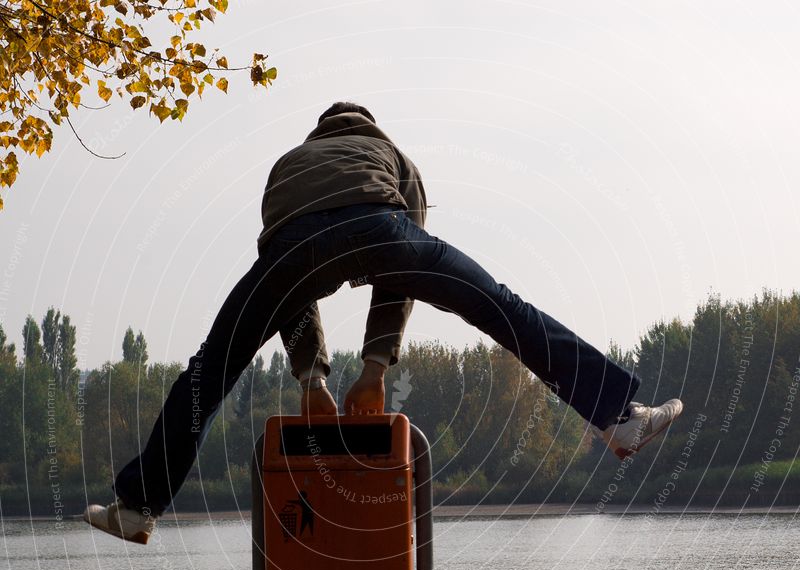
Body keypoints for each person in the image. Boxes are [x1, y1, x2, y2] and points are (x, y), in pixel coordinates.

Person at [84, 101, 683, 544]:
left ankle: (139, 505)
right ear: (371, 129)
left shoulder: (288, 164)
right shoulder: (394, 156)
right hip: (382, 230)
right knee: (502, 308)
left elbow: (288, 280)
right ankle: (616, 416)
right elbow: (402, 268)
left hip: (289, 252)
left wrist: (311, 379)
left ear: (319, 134)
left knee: (209, 370)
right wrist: (374, 367)